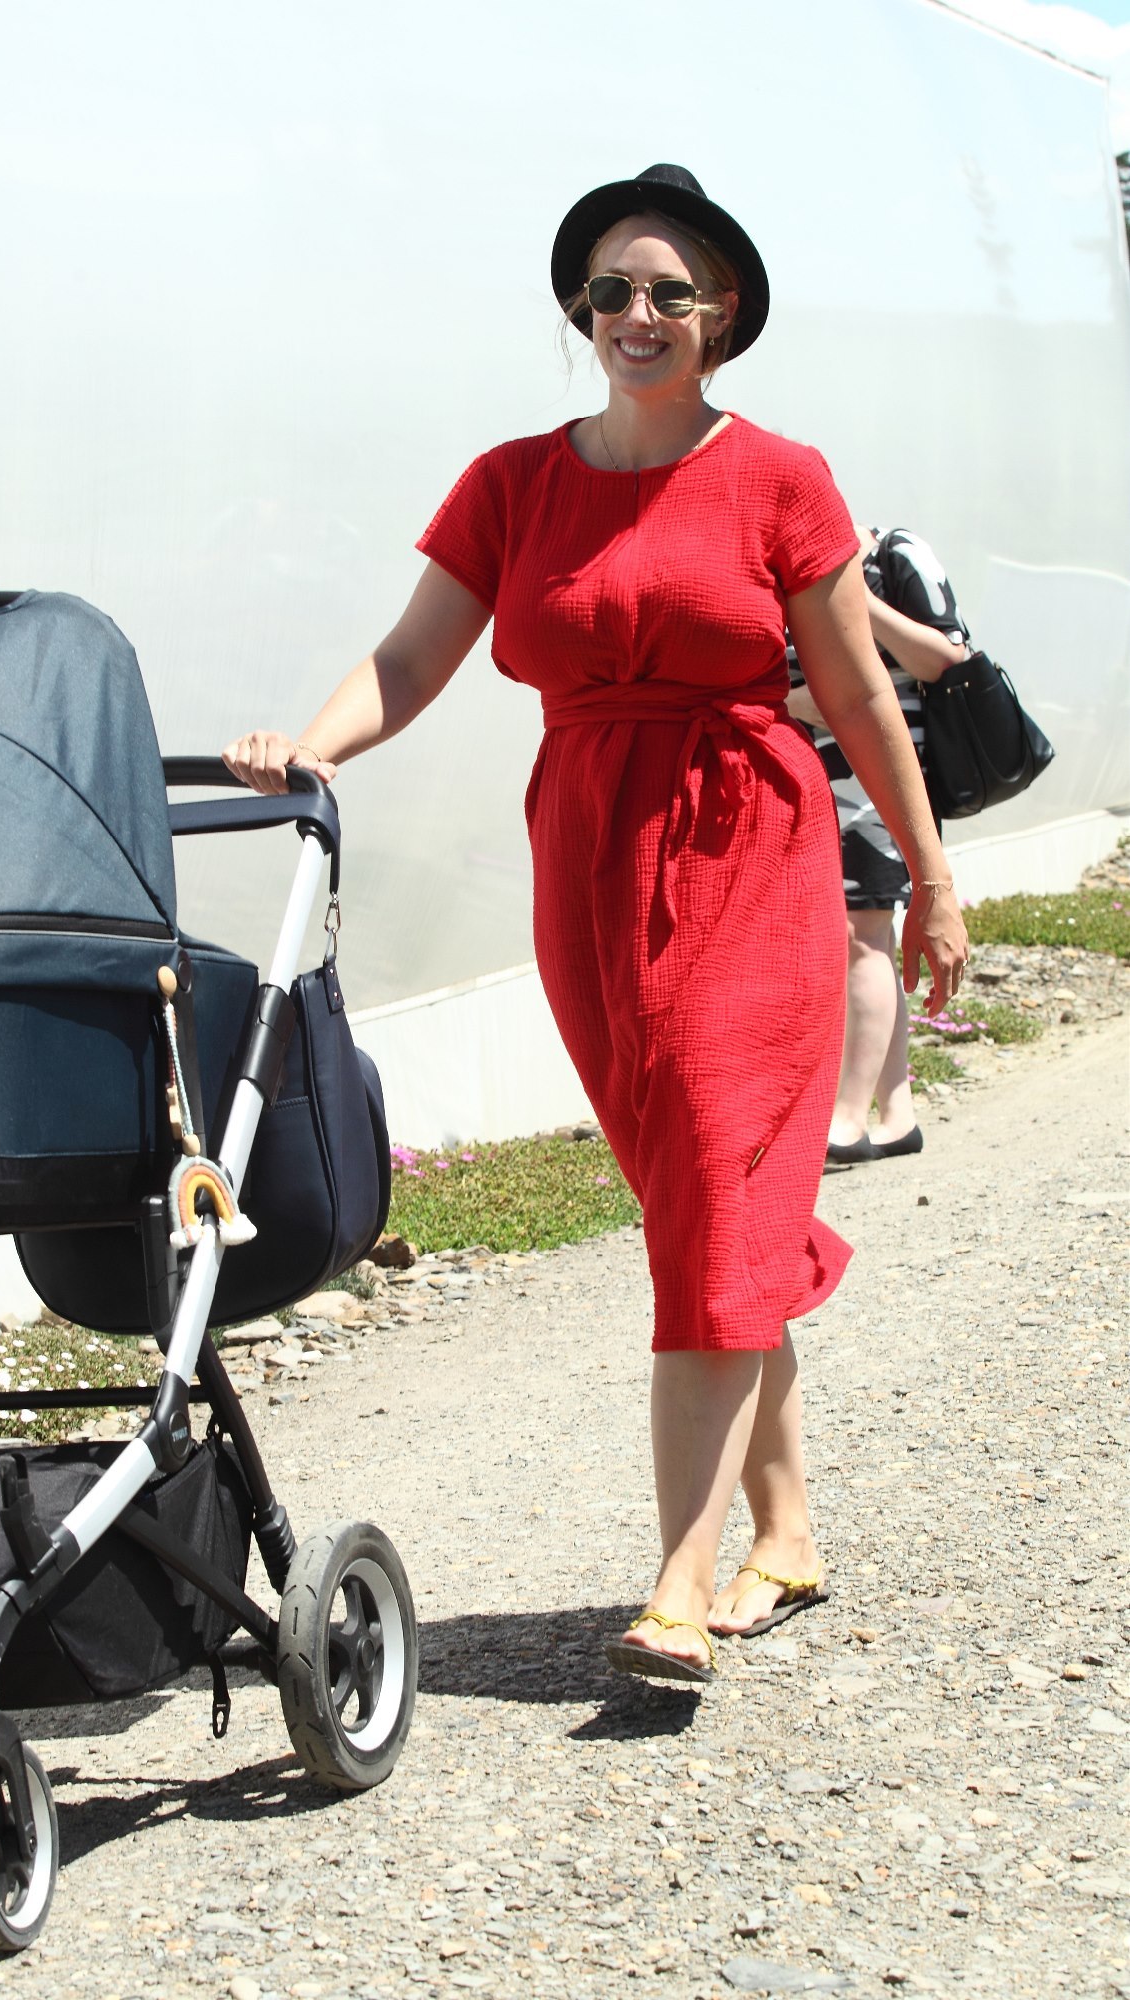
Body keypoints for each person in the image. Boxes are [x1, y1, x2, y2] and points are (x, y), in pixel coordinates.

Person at [223, 163, 968, 1685]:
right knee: (701, 1200)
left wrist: (932, 878)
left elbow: (853, 691)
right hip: (586, 856)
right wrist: (310, 745)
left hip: (748, 843)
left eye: (668, 292)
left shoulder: (781, 478)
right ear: (582, 310)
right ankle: (786, 1532)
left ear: (720, 314)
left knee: (710, 1180)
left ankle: (679, 1585)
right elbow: (412, 659)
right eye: (611, 291)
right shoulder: (511, 483)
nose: (637, 313)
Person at [787, 528, 971, 1163]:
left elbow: (944, 658)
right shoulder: (777, 566)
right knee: (870, 940)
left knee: (860, 935)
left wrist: (854, 600)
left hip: (878, 782)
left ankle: (847, 1115)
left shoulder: (896, 554)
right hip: (805, 775)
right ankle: (897, 1113)